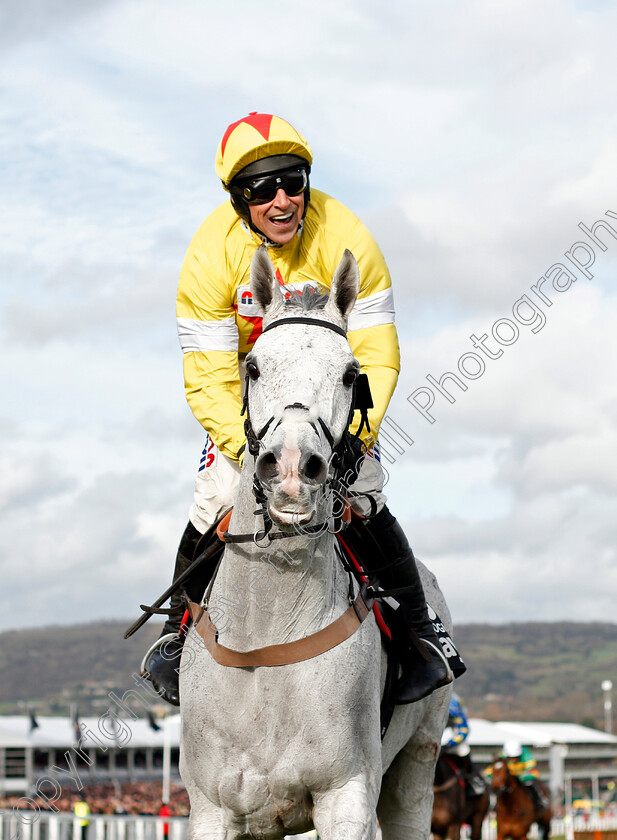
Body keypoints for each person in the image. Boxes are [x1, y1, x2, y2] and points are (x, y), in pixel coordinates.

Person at [141, 111, 454, 707]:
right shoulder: (210, 255)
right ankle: (176, 634)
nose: (282, 200)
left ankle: (422, 632)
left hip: (332, 405)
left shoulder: (349, 235)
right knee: (213, 499)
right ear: (239, 199)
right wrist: (247, 446)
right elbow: (208, 374)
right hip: (254, 404)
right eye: (262, 189)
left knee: (364, 495)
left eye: (293, 181)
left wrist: (354, 436)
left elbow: (375, 353)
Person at [441, 693, 486, 796]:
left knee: (462, 749)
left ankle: (473, 779)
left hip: (453, 732)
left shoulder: (454, 706)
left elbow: (463, 730)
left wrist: (449, 745)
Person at [500, 740, 548, 812]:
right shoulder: (502, 756)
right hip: (509, 780)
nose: (513, 759)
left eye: (515, 757)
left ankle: (539, 801)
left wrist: (521, 776)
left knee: (531, 784)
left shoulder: (526, 754)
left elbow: (532, 771)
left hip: (524, 779)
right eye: (511, 757)